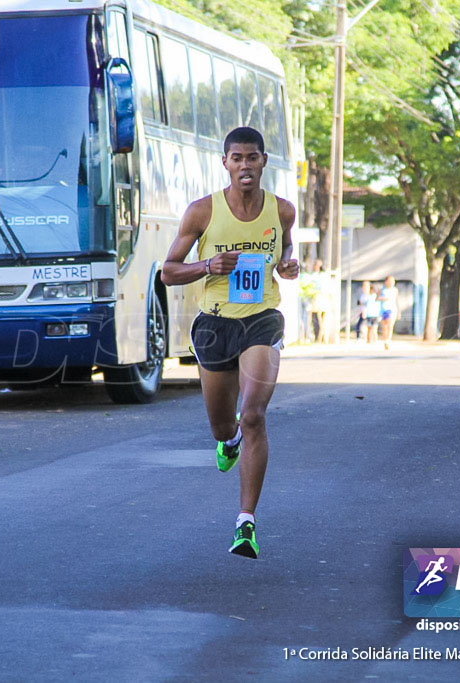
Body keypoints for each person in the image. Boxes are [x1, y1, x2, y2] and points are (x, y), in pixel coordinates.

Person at [160, 126, 298, 559]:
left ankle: (246, 523)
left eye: (252, 158)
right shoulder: (202, 212)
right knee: (225, 425)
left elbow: (285, 250)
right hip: (216, 325)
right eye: (236, 158)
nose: (244, 165)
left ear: (263, 162)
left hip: (261, 321)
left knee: (254, 415)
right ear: (225, 163)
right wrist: (207, 265)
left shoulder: (283, 210)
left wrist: (290, 265)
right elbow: (167, 271)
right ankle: (229, 440)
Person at [378, 276, 399, 349]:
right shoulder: (382, 290)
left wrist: (398, 311)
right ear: (386, 282)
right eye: (390, 281)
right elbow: (377, 298)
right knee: (384, 327)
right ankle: (385, 340)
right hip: (383, 309)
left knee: (390, 325)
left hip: (392, 309)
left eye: (393, 281)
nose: (391, 283)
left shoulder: (395, 290)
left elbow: (396, 301)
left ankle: (388, 340)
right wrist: (382, 298)